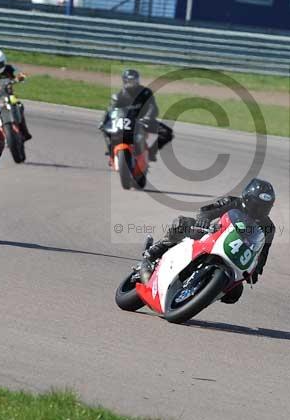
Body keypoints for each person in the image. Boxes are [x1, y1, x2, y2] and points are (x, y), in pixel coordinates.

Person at [138, 178, 277, 304]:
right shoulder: (233, 202)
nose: (259, 210)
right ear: (247, 198)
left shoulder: (268, 227)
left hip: (234, 256)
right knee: (182, 223)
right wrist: (204, 219)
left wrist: (256, 271)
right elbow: (207, 211)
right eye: (256, 204)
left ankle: (202, 292)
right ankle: (156, 250)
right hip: (212, 237)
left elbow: (263, 252)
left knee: (234, 294)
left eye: (265, 207)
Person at [99, 69, 173, 162]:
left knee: (166, 133)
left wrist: (147, 117)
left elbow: (152, 107)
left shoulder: (145, 93)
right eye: (129, 81)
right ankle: (111, 152)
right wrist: (103, 121)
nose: (132, 83)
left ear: (138, 80)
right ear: (124, 81)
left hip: (142, 121)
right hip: (124, 122)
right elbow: (110, 110)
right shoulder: (120, 95)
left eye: (134, 81)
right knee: (106, 130)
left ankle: (151, 152)